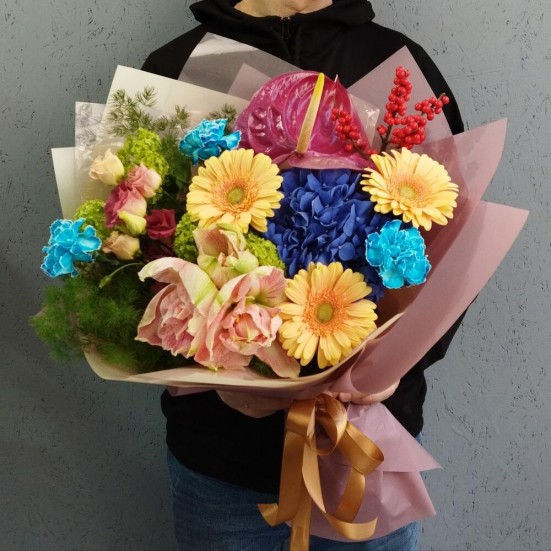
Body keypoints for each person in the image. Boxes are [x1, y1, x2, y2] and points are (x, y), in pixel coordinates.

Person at [142, 1, 465, 549]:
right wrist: (215, 372)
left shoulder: (394, 62)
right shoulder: (175, 68)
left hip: (364, 452)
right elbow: (139, 267)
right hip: (221, 465)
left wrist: (397, 361)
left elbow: (452, 250)